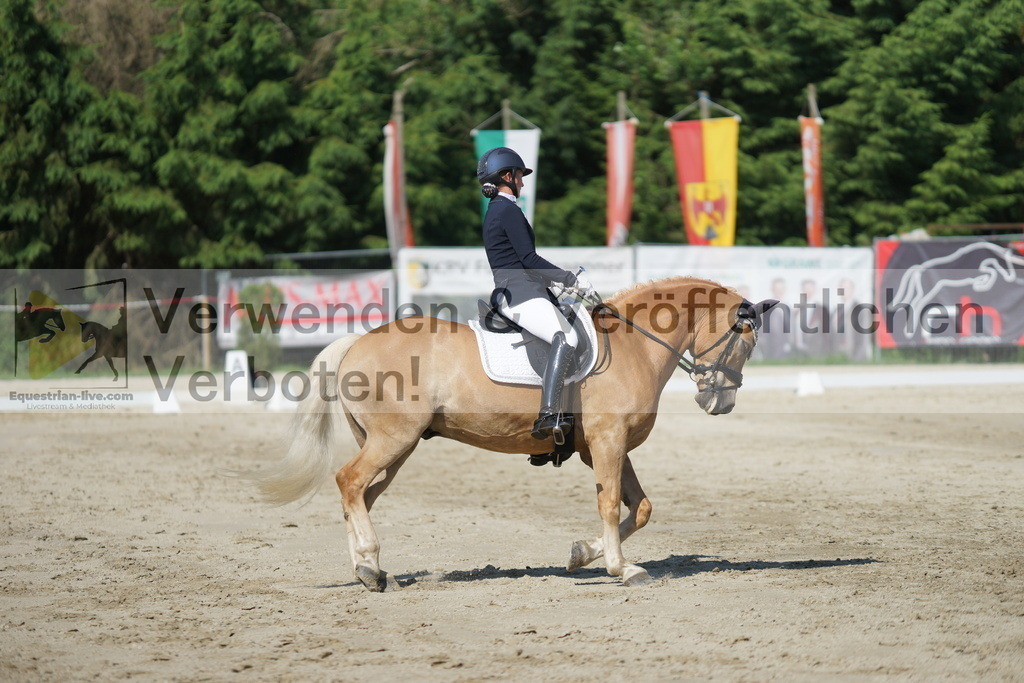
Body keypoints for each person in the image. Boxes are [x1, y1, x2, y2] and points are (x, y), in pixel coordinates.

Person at [477, 146, 596, 442]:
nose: (523, 182)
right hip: (520, 293)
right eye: (519, 176)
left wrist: (552, 283)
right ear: (507, 176)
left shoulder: (498, 210)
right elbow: (528, 258)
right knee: (567, 337)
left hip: (518, 288)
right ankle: (549, 413)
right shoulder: (508, 210)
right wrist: (569, 279)